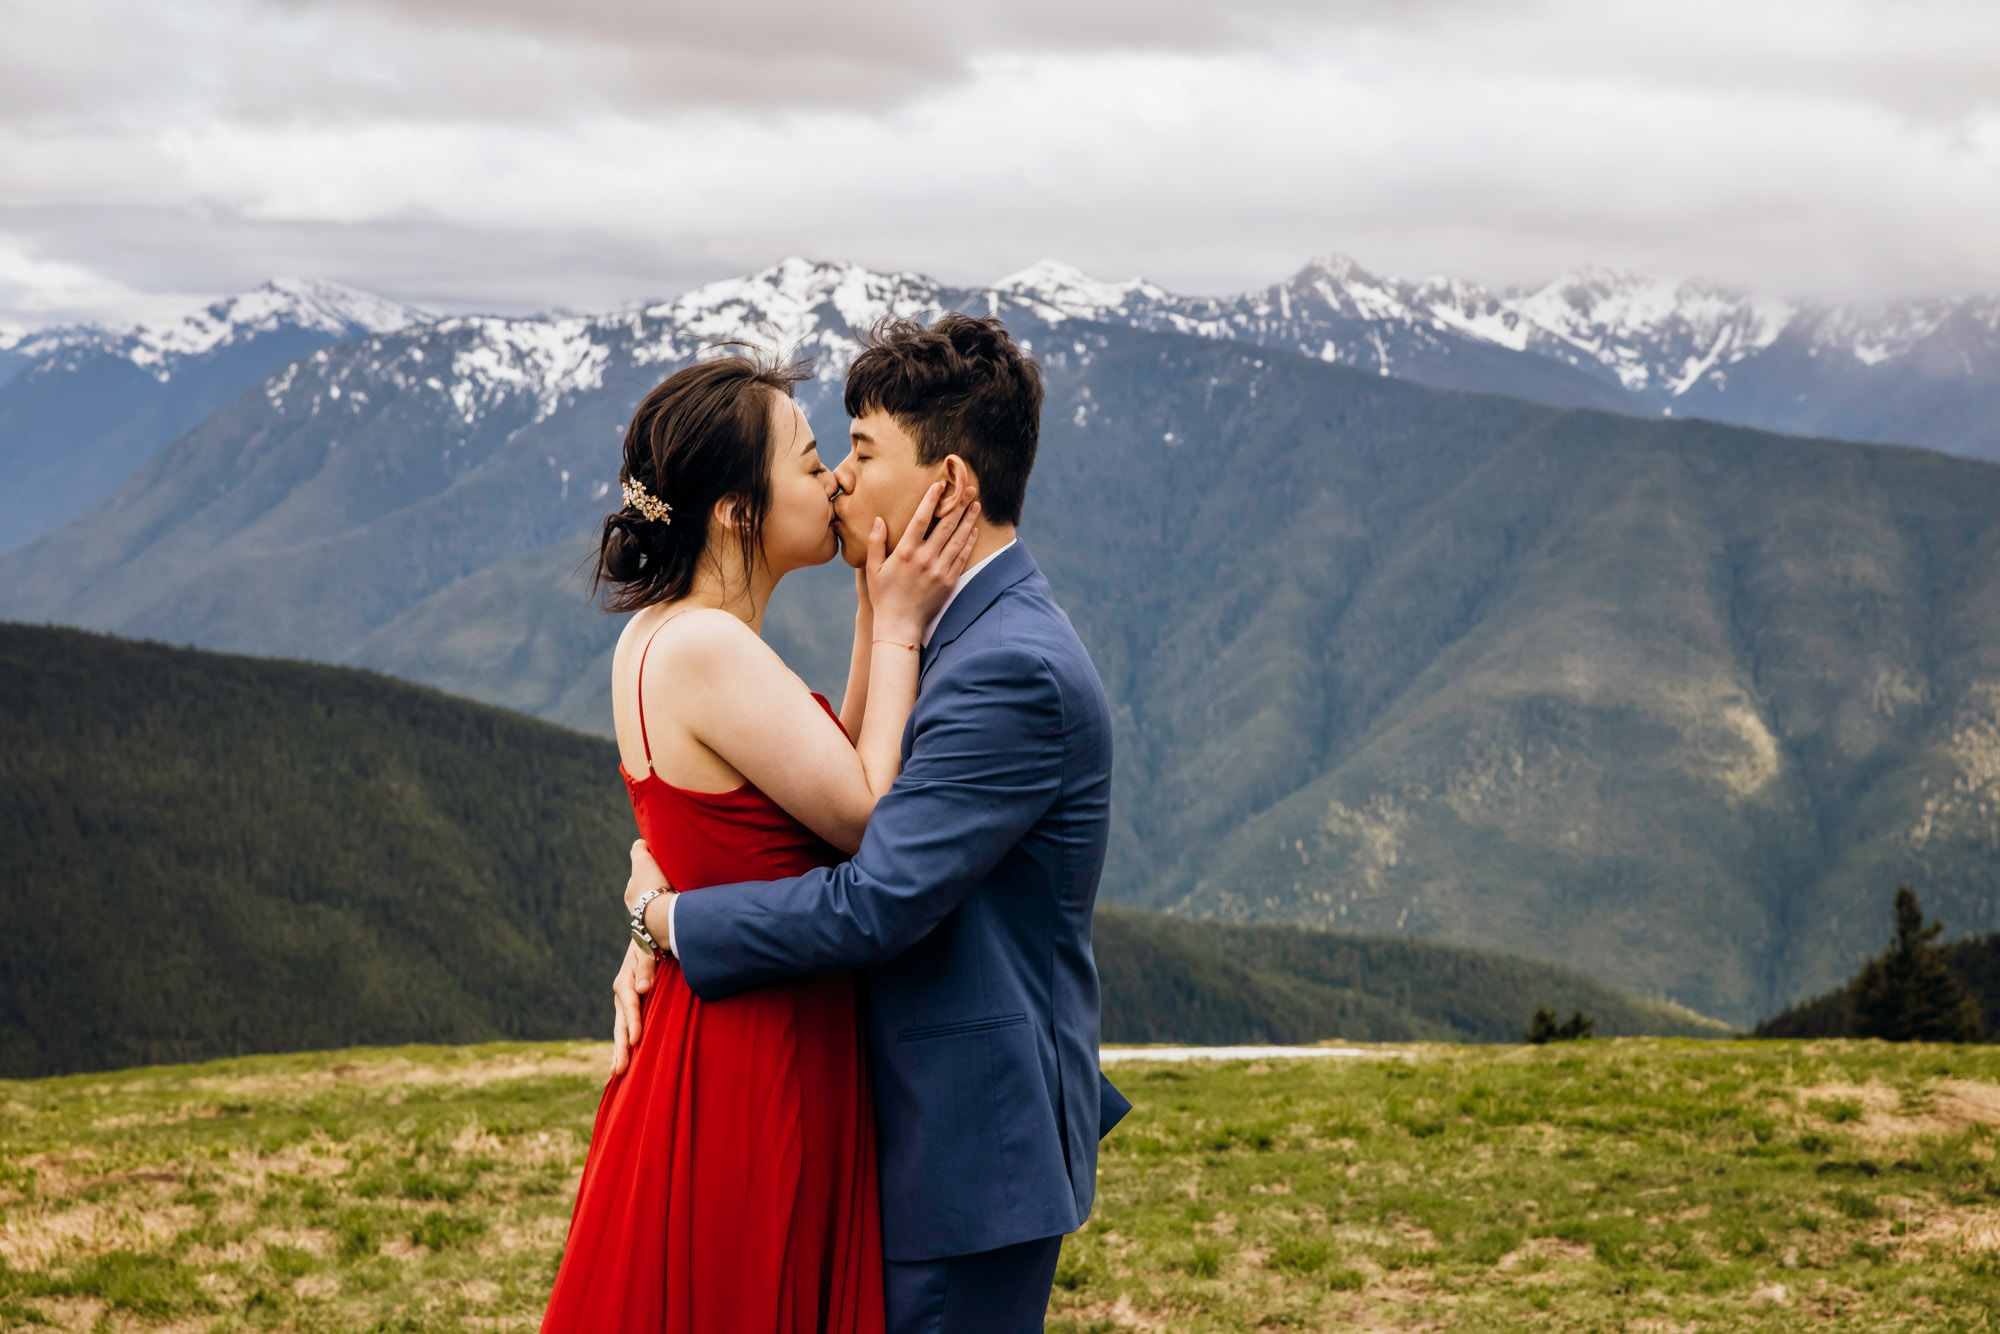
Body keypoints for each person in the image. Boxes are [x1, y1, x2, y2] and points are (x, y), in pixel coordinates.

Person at [613, 314, 1131, 1334]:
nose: (838, 481)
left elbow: (874, 898)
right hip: (892, 1128)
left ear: (947, 486)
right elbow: (795, 805)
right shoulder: (953, 632)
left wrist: (667, 922)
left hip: (957, 1156)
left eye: (856, 452)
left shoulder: (1006, 667)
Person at [539, 349, 982, 1334]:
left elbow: (811, 779)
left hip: (722, 1027)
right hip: (760, 1057)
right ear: (738, 511)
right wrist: (904, 623)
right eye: (809, 459)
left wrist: (872, 604)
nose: (832, 482)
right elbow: (867, 812)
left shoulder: (661, 633)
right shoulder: (707, 646)